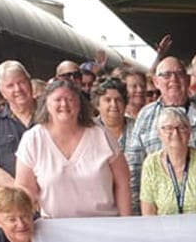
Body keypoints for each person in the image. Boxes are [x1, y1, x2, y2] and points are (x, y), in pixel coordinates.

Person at [126, 56, 196, 211]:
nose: (173, 79)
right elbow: (133, 166)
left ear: (187, 79)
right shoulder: (145, 116)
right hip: (159, 215)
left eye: (179, 74)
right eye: (166, 75)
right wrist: (141, 207)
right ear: (156, 82)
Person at [15, 78, 132, 218]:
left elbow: (123, 181)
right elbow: (25, 189)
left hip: (103, 223)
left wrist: (126, 222)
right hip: (54, 226)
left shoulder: (101, 134)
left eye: (70, 99)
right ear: (46, 104)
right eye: (57, 100)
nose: (64, 104)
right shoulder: (33, 139)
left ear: (79, 103)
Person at [139, 108, 196, 216]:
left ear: (189, 132)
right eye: (168, 128)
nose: (176, 133)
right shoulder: (151, 164)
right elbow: (148, 212)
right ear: (159, 134)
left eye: (181, 127)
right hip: (164, 227)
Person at [0, 60, 36, 190]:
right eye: (10, 86)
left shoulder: (51, 115)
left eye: (21, 82)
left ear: (30, 82)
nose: (18, 89)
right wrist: (22, 192)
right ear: (2, 92)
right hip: (18, 200)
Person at [92, 78, 135, 151]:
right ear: (97, 105)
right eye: (108, 100)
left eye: (118, 100)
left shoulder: (137, 128)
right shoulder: (89, 130)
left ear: (125, 103)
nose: (114, 104)